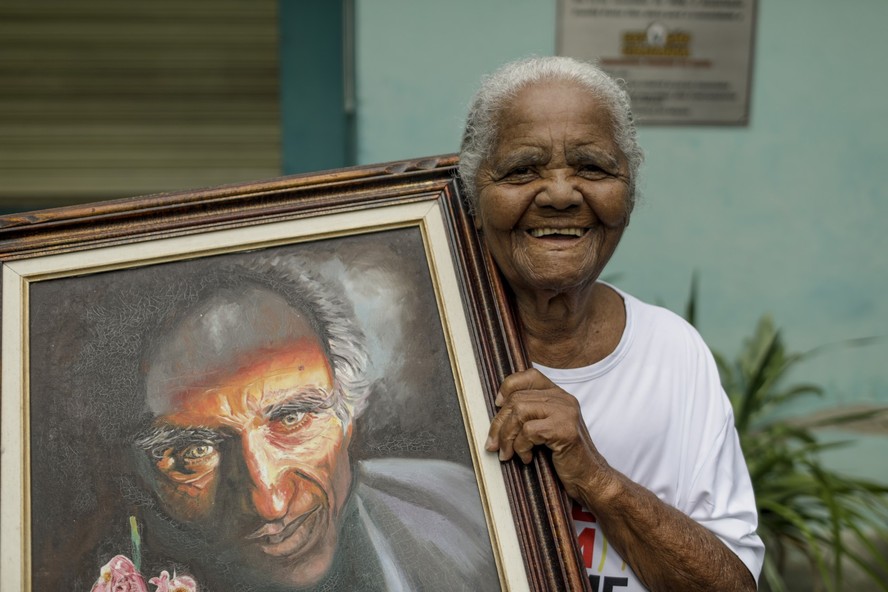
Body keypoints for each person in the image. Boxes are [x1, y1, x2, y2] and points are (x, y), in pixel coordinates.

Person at [460, 56, 765, 591]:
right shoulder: (430, 347)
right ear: (472, 199)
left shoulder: (672, 352)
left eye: (593, 168)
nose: (559, 194)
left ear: (628, 192)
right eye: (522, 170)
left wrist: (596, 478)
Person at [126, 258, 498, 591]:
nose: (269, 504)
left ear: (347, 414)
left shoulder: (469, 513)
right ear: (142, 474)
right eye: (195, 451)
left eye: (292, 418)